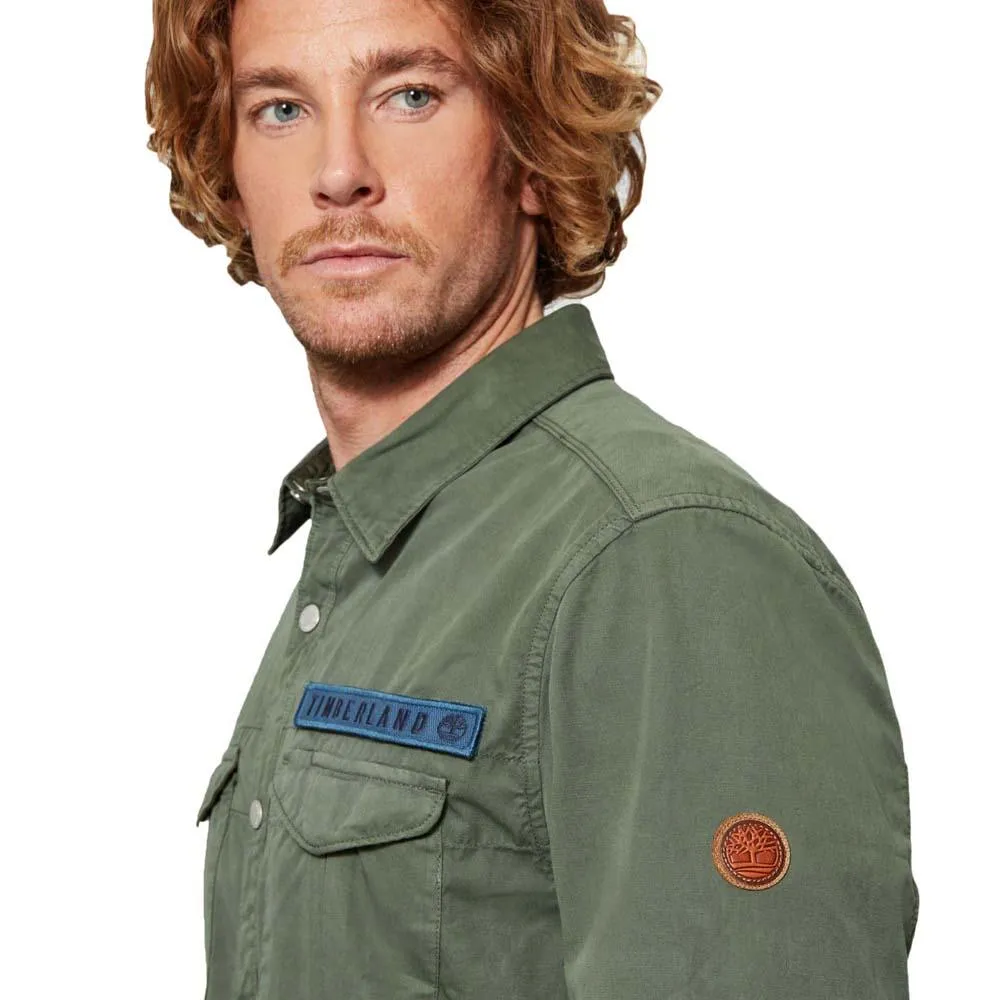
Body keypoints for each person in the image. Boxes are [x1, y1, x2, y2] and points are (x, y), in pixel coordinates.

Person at [145, 0, 919, 997]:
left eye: (409, 95)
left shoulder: (659, 558)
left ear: (531, 147)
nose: (338, 172)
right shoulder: (370, 555)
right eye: (281, 108)